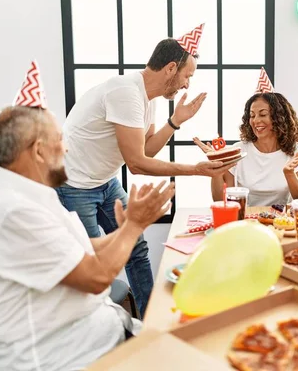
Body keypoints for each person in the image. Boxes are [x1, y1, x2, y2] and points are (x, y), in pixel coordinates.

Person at [0, 68, 176, 369]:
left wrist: (130, 226)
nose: (67, 147)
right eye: (60, 139)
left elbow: (84, 248)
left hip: (104, 336)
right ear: (38, 151)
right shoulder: (10, 211)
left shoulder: (32, 194)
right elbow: (95, 278)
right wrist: (134, 226)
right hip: (69, 359)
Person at [55, 24, 233, 317]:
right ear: (171, 68)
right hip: (73, 185)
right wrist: (197, 170)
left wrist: (175, 122)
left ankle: (149, 319)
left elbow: (148, 149)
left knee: (135, 250)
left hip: (104, 181)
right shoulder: (125, 92)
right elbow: (137, 163)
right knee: (91, 264)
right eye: (188, 76)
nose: (187, 84)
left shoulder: (146, 99)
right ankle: (96, 329)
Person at [194, 68, 298, 206]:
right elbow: (220, 200)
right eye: (252, 115)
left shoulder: (297, 150)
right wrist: (216, 167)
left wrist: (289, 173)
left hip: (283, 224)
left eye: (262, 114)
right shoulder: (237, 151)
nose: (256, 121)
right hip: (246, 222)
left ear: (279, 118)